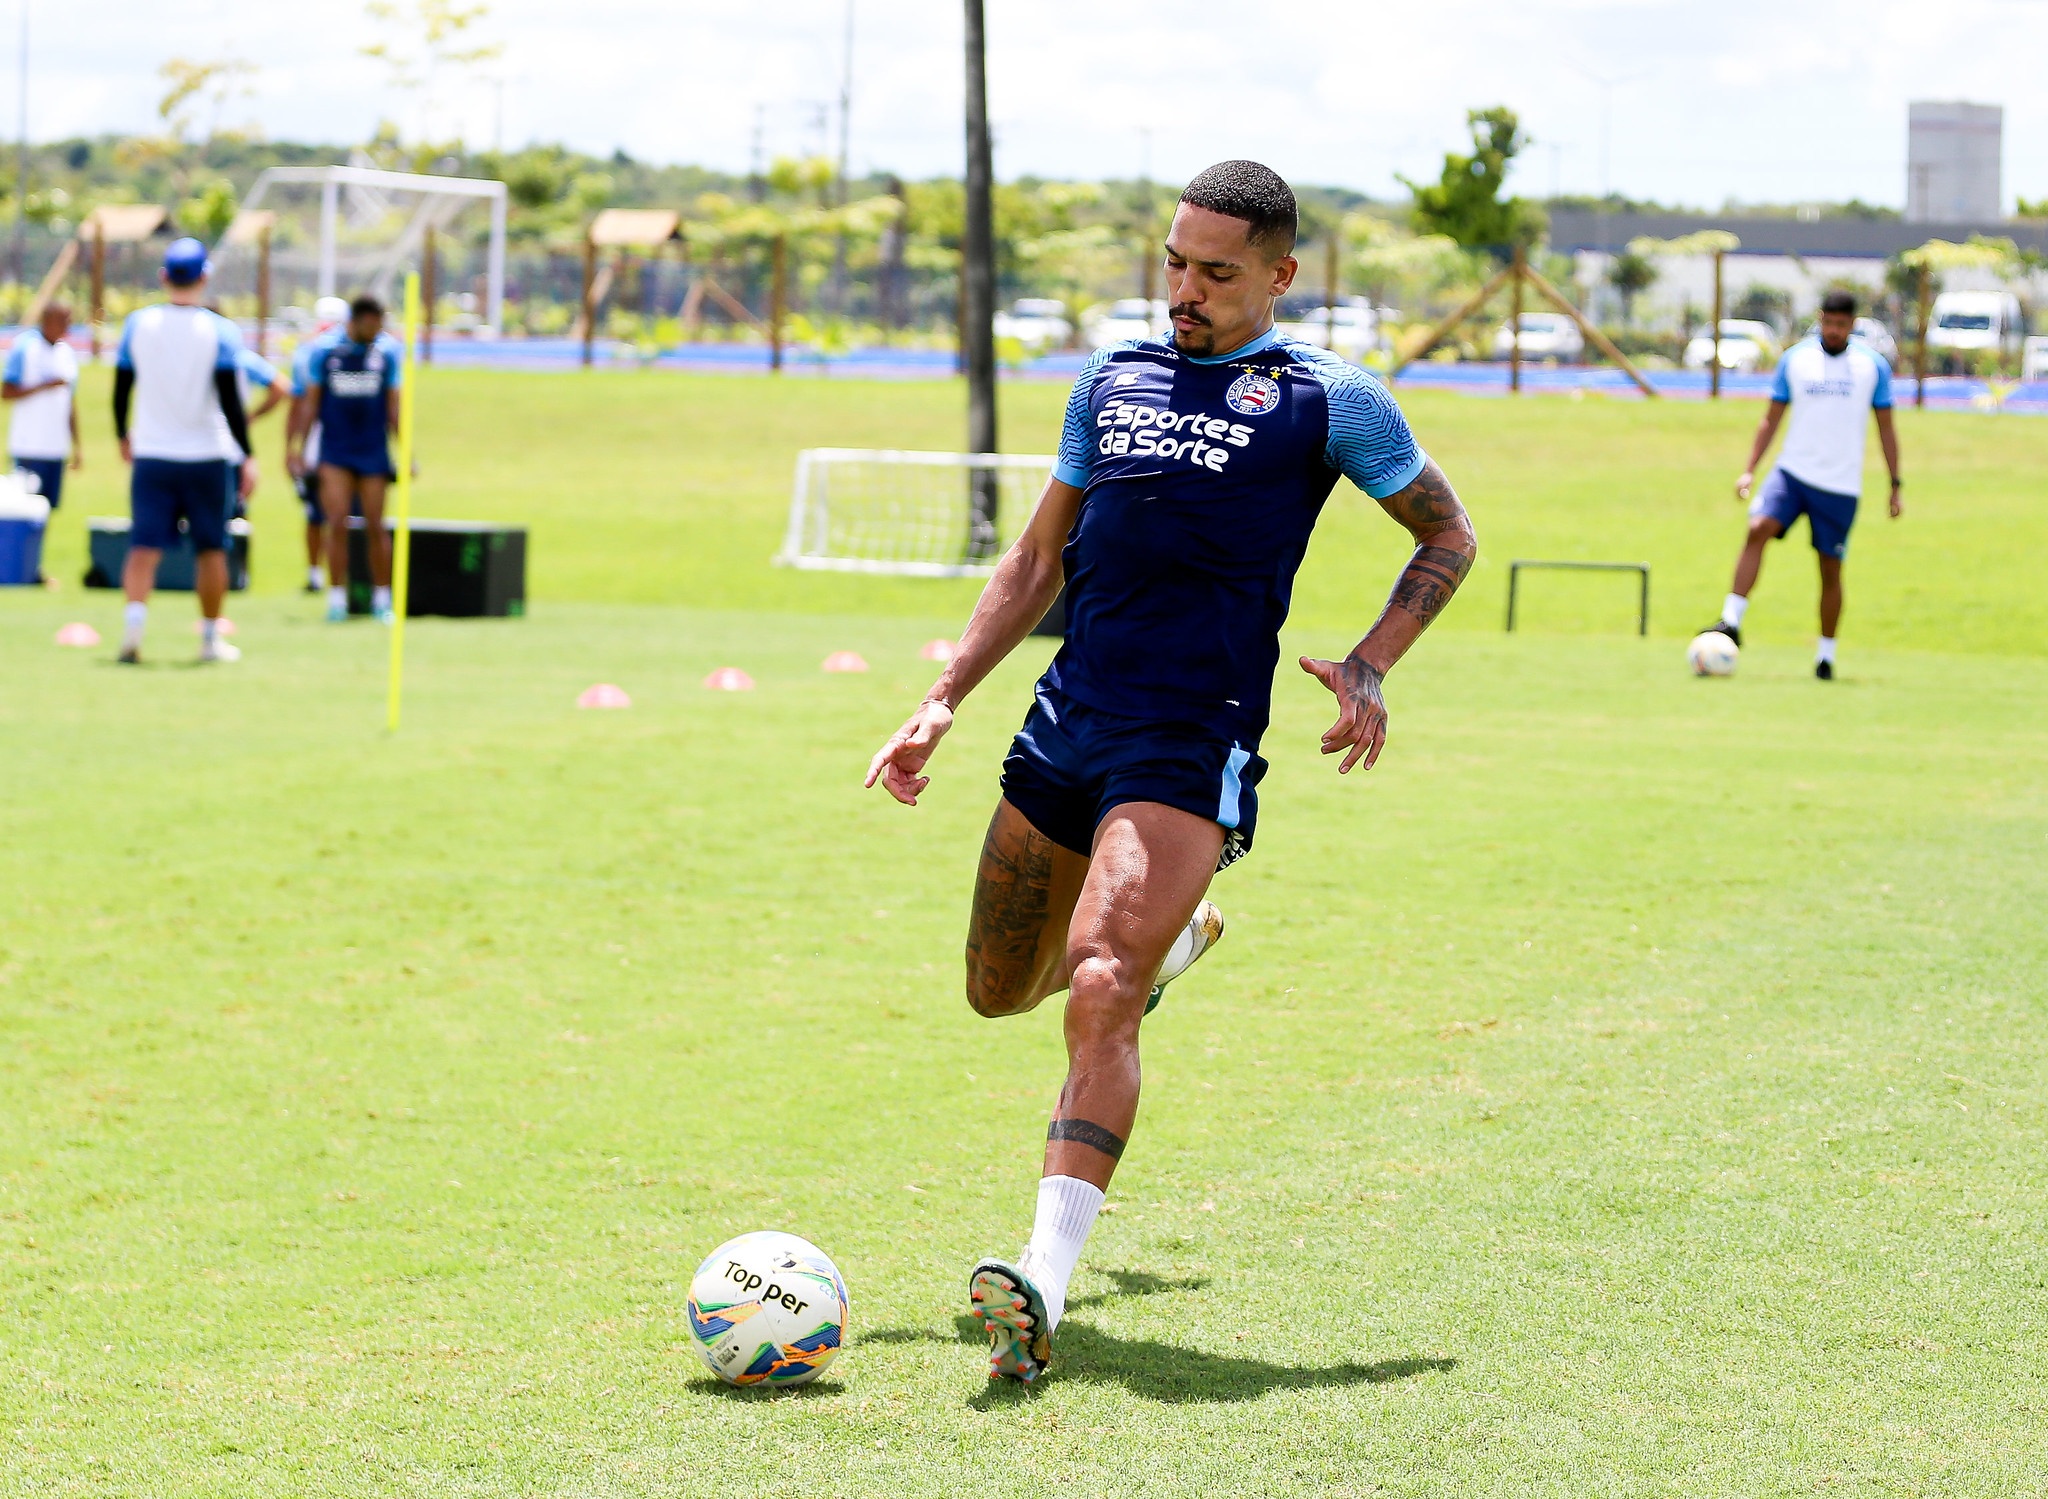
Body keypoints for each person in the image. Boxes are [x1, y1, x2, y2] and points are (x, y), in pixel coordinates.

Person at [863, 161, 1477, 1384]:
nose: (1185, 290)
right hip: (1066, 719)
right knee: (998, 989)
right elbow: (1038, 558)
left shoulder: (1330, 400)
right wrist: (939, 698)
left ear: (1280, 276)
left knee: (1095, 980)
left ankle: (1040, 1278)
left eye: (1215, 271)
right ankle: (1175, 946)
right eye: (1174, 263)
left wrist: (1369, 664)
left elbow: (1445, 533)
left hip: (1189, 738)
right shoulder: (1109, 378)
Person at [1703, 289, 1901, 680]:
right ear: (1820, 318)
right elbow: (1771, 418)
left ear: (1853, 326)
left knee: (1830, 569)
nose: (1833, 330)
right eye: (1828, 322)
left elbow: (1886, 427)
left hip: (1840, 485)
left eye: (1841, 325)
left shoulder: (1872, 367)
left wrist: (1895, 484)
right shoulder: (1796, 359)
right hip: (1792, 474)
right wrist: (1749, 469)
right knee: (1758, 527)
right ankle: (1731, 622)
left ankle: (1825, 656)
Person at [112, 238, 256, 665]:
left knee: (143, 546)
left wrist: (123, 434)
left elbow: (122, 387)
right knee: (212, 549)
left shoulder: (138, 324)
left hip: (152, 454)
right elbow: (232, 402)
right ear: (204, 277)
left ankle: (133, 630)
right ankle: (211, 640)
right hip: (207, 456)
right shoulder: (221, 330)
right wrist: (247, 453)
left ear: (163, 277)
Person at [289, 294, 402, 622]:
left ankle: (383, 599)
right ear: (355, 321)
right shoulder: (324, 352)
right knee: (335, 523)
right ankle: (336, 597)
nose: (376, 332)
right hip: (335, 451)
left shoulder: (387, 352)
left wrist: (405, 451)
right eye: (371, 326)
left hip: (373, 451)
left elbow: (395, 406)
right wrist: (299, 448)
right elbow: (310, 403)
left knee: (376, 525)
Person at [287, 295, 351, 592]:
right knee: (317, 511)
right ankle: (317, 574)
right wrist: (293, 449)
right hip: (322, 441)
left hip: (341, 441)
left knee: (337, 514)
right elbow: (299, 404)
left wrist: (292, 448)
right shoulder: (309, 354)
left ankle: (334, 575)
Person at [3, 301, 81, 536]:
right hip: (29, 446)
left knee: (47, 511)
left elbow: (70, 403)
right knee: (25, 509)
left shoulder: (67, 353)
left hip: (56, 447)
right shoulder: (25, 348)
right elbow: (6, 391)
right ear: (47, 320)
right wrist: (44, 385)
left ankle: (36, 567)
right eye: (63, 320)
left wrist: (77, 446)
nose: (67, 325)